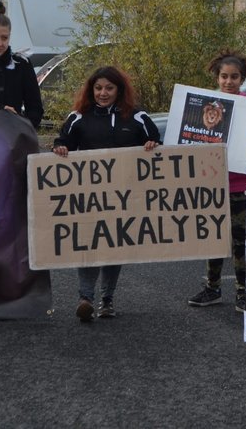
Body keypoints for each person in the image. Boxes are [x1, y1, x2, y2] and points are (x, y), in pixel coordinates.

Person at [52, 66, 160, 322]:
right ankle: (85, 298)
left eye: (109, 88)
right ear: (91, 90)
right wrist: (60, 148)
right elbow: (62, 141)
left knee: (114, 248)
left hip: (124, 198)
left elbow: (156, 145)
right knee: (88, 244)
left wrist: (151, 145)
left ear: (119, 90)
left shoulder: (138, 117)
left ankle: (107, 300)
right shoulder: (79, 116)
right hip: (88, 197)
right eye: (98, 88)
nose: (103, 93)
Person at [187, 50, 246, 311]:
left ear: (242, 79)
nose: (229, 82)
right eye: (224, 76)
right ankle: (212, 288)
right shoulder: (206, 105)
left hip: (241, 184)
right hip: (213, 183)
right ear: (217, 77)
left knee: (241, 241)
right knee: (213, 238)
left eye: (234, 77)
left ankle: (242, 292)